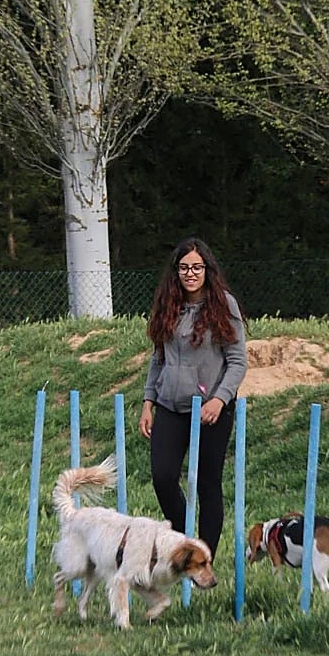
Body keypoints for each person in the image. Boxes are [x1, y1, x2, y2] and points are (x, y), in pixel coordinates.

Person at [139, 237, 247, 559]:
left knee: (207, 483)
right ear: (176, 272)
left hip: (211, 409)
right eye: (184, 268)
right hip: (171, 406)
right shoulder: (167, 306)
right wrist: (148, 402)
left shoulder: (223, 304)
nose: (190, 273)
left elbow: (238, 361)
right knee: (163, 476)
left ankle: (205, 558)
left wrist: (220, 400)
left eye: (196, 267)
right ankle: (184, 543)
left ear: (207, 270)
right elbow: (158, 358)